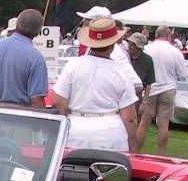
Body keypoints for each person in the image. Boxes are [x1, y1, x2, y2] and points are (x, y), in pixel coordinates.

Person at [51, 17, 138, 152]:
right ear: (112, 44)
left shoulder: (73, 65)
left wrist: (68, 118)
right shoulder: (121, 71)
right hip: (111, 133)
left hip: (76, 130)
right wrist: (134, 147)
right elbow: (129, 117)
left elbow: (57, 101)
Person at [0, 8, 49, 109]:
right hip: (19, 115)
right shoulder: (36, 58)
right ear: (38, 32)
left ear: (17, 24)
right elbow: (36, 99)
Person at [139, 25, 187, 155]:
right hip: (168, 89)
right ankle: (161, 154)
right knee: (164, 124)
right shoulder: (175, 52)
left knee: (144, 123)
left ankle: (136, 151)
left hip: (150, 89)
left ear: (156, 35)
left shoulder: (147, 49)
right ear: (169, 36)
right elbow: (183, 75)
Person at [125, 32, 155, 151]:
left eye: (133, 45)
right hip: (123, 94)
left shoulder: (147, 60)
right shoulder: (125, 57)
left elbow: (149, 83)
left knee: (133, 123)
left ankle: (132, 149)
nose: (130, 47)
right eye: (129, 44)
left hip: (137, 97)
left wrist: (145, 102)